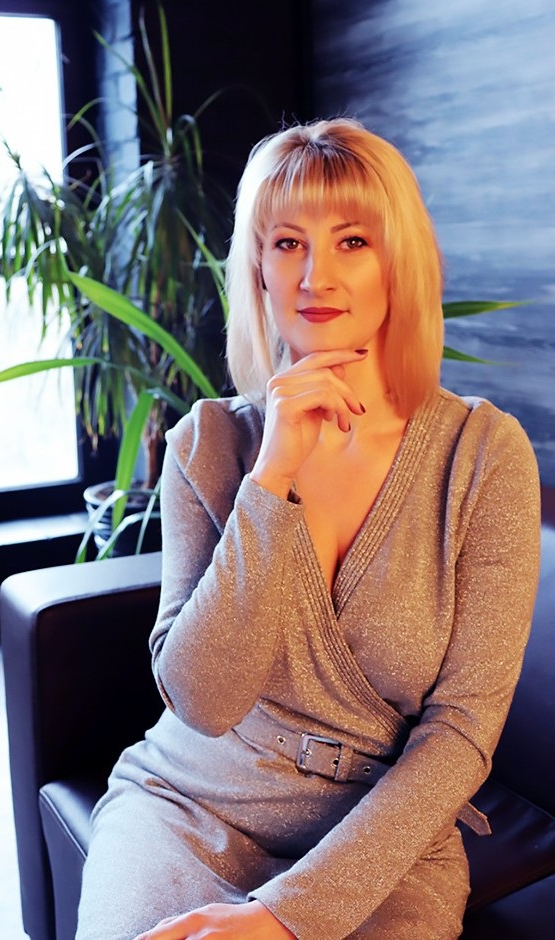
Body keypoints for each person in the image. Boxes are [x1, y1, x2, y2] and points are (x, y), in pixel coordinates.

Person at [75, 119, 541, 939]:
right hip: (191, 806)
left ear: (397, 262)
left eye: (352, 241)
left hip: (381, 844)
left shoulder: (483, 455)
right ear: (258, 266)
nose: (316, 275)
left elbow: (463, 733)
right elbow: (202, 700)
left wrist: (286, 916)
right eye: (288, 242)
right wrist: (272, 477)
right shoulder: (207, 444)